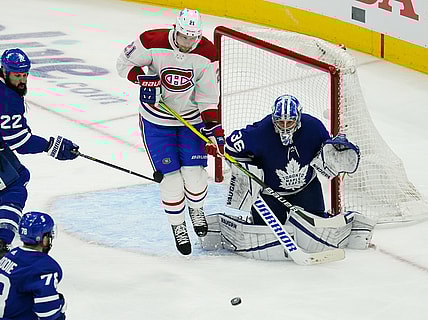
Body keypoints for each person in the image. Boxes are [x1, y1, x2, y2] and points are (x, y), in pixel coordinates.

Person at [200, 94, 375, 260]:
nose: (284, 126)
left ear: (298, 118)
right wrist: (223, 151)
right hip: (270, 193)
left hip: (306, 189)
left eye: (289, 122)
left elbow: (328, 150)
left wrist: (337, 150)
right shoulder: (260, 131)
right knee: (265, 235)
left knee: (318, 232)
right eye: (280, 121)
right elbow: (230, 148)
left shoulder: (314, 127)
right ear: (273, 117)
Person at [116, 8, 223, 255]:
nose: (187, 43)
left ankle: (196, 209)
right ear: (175, 29)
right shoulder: (150, 41)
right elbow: (123, 64)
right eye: (184, 37)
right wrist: (142, 78)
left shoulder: (207, 54)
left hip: (190, 120)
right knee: (171, 179)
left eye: (192, 39)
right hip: (156, 121)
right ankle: (178, 225)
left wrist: (214, 129)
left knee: (195, 177)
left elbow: (207, 97)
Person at [0, 48, 80, 257]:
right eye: (17, 75)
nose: (22, 80)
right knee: (14, 188)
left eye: (25, 74)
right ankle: (1, 244)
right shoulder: (8, 98)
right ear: (4, 71)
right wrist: (52, 146)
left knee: (20, 175)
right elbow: (20, 142)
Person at [0, 211, 66, 319]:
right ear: (44, 239)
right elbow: (47, 312)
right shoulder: (45, 267)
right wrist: (61, 306)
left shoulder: (10, 255)